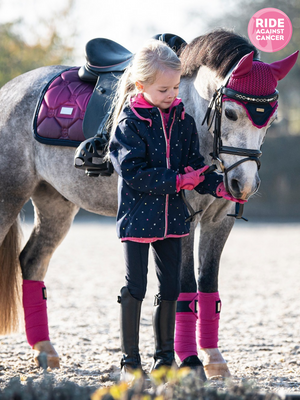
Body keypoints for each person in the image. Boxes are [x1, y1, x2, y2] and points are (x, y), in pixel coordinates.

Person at [108, 39, 242, 379]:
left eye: (176, 86)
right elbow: (135, 173)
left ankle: (164, 359)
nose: (173, 94)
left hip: (174, 219)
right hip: (138, 219)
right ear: (141, 86)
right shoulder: (128, 124)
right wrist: (178, 180)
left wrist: (217, 185)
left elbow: (195, 166)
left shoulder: (182, 120)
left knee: (170, 289)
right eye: (165, 88)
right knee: (135, 288)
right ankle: (129, 361)